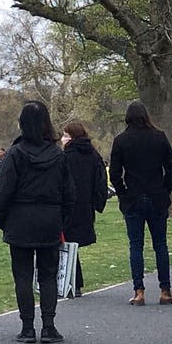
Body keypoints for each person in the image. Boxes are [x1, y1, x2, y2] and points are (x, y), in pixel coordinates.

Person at [0, 101, 75, 344]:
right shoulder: (58, 155)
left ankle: (27, 327)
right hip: (48, 219)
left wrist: (1, 219)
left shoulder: (15, 154)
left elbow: (3, 191)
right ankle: (49, 326)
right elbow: (69, 194)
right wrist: (61, 221)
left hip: (20, 219)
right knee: (48, 275)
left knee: (23, 275)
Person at [109, 101, 172, 305]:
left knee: (135, 246)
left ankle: (139, 290)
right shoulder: (159, 137)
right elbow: (170, 167)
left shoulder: (121, 140)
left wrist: (123, 193)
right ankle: (165, 290)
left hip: (133, 197)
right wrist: (165, 190)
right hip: (156, 196)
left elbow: (114, 173)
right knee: (160, 245)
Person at [61, 122, 108, 297]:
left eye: (65, 135)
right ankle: (74, 282)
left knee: (66, 241)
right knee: (74, 243)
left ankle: (71, 282)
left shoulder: (66, 156)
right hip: (86, 204)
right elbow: (100, 180)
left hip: (69, 204)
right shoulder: (93, 154)